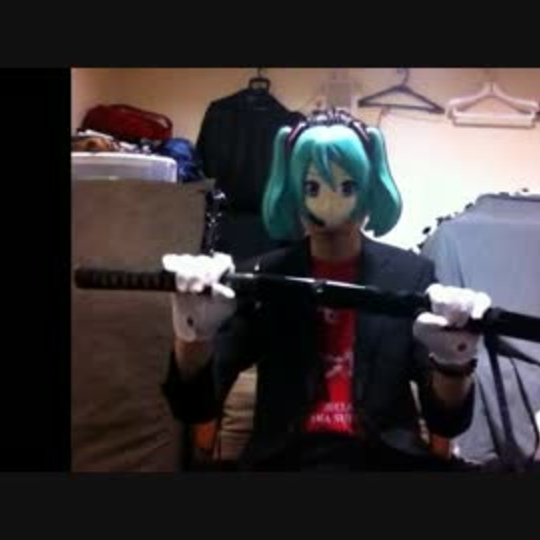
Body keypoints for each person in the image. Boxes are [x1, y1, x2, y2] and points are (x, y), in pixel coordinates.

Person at [160, 109, 491, 471]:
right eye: (312, 188)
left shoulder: (411, 275)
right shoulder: (261, 277)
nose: (329, 206)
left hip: (386, 464)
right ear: (291, 191)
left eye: (347, 187)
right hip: (286, 464)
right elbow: (194, 406)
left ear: (369, 189)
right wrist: (193, 335)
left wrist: (453, 362)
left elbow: (448, 421)